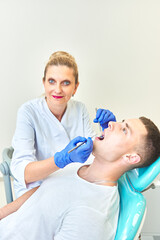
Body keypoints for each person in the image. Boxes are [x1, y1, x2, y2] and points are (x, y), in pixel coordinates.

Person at [0, 116, 160, 240]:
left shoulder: (92, 215)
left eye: (124, 130)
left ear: (131, 158)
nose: (112, 123)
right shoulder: (80, 162)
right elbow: (39, 194)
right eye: (121, 121)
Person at [10, 51, 116, 198]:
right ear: (44, 82)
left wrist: (107, 133)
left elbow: (94, 154)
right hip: (37, 192)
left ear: (75, 87)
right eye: (52, 81)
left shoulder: (79, 109)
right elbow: (24, 173)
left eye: (66, 83)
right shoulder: (28, 112)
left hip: (73, 186)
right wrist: (62, 159)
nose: (58, 89)